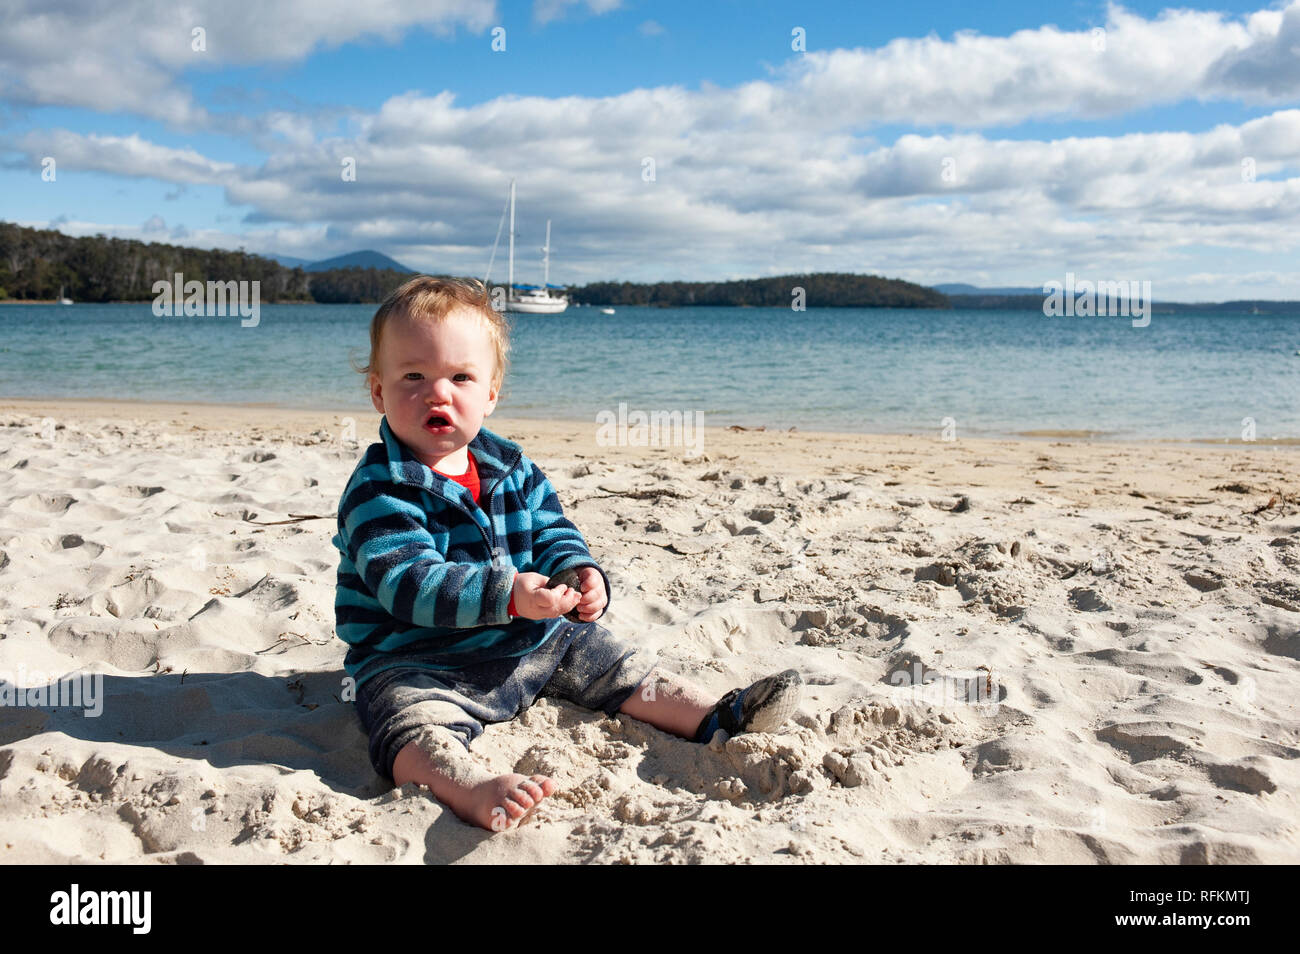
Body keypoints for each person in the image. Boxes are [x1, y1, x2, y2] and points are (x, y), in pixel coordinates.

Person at [333, 276, 802, 832]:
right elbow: (407, 582)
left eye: (461, 377)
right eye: (413, 376)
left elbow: (554, 528)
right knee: (407, 723)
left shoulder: (512, 468)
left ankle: (715, 715)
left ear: (490, 394)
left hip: (528, 640)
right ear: (379, 391)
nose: (439, 393)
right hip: (416, 659)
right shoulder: (379, 490)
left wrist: (577, 573)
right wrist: (507, 593)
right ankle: (467, 786)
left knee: (613, 662)